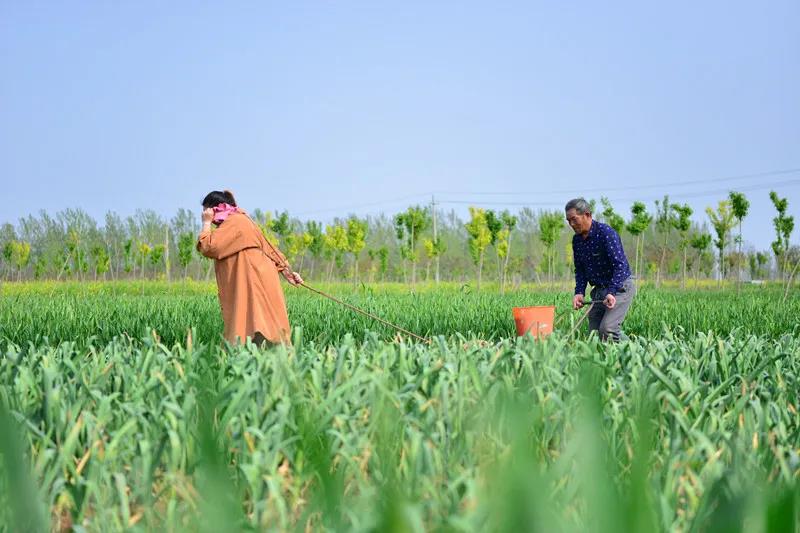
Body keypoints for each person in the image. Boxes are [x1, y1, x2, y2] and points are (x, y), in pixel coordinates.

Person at [196, 190, 303, 347]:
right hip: (257, 278)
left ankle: (251, 361)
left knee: (250, 323)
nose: (206, 214)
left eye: (207, 210)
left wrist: (205, 224)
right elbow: (268, 247)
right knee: (261, 321)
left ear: (215, 208)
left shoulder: (234, 222)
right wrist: (287, 272)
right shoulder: (242, 220)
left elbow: (208, 246)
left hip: (251, 280)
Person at [566, 197, 636, 341]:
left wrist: (611, 292)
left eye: (574, 219)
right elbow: (580, 269)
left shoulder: (606, 234)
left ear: (587, 215)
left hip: (619, 287)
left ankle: (637, 353)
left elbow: (620, 266)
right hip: (599, 292)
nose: (571, 224)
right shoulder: (577, 240)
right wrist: (579, 292)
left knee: (608, 329)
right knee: (595, 335)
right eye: (568, 221)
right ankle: (606, 362)